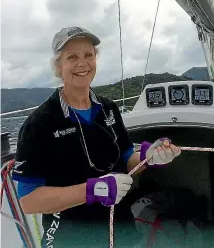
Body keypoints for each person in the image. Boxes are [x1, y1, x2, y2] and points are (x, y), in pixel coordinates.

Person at [12, 26, 181, 247]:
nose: (82, 63)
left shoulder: (109, 109)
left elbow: (126, 157)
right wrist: (93, 190)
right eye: (72, 57)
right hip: (71, 237)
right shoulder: (39, 123)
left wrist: (149, 157)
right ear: (58, 66)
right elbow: (28, 200)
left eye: (88, 55)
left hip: (121, 230)